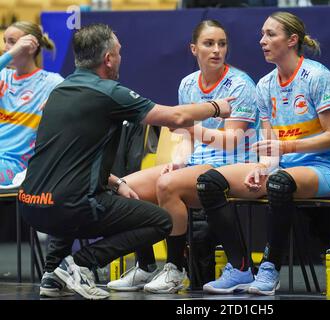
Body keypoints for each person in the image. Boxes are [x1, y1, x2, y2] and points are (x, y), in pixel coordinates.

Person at [18, 23, 233, 300]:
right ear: (108, 58)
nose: (120, 57)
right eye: (118, 52)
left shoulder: (57, 93)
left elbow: (68, 156)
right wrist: (217, 107)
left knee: (73, 196)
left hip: (32, 206)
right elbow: (175, 118)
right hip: (69, 205)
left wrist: (117, 181)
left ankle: (51, 274)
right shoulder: (108, 92)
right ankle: (79, 264)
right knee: (162, 221)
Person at [196, 11, 330, 295]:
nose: (262, 41)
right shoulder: (265, 85)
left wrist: (285, 148)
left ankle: (269, 269)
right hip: (283, 168)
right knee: (209, 183)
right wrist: (262, 167)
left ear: (292, 40)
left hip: (327, 169)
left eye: (270, 34)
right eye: (262, 34)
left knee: (279, 184)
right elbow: (269, 146)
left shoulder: (318, 76)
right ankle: (240, 267)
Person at [106, 19, 258, 293]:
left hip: (231, 165)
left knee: (168, 185)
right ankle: (145, 267)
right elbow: (187, 139)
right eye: (209, 44)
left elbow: (233, 140)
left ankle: (175, 269)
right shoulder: (188, 84)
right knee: (125, 186)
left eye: (222, 44)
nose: (216, 50)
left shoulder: (240, 84)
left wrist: (190, 128)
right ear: (193, 49)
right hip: (198, 162)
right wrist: (179, 159)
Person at [0, 21, 63, 187]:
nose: (6, 48)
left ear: (31, 47)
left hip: (15, 167)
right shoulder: (3, 76)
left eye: (13, 42)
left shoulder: (51, 83)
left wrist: (60, 98)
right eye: (5, 41)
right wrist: (12, 53)